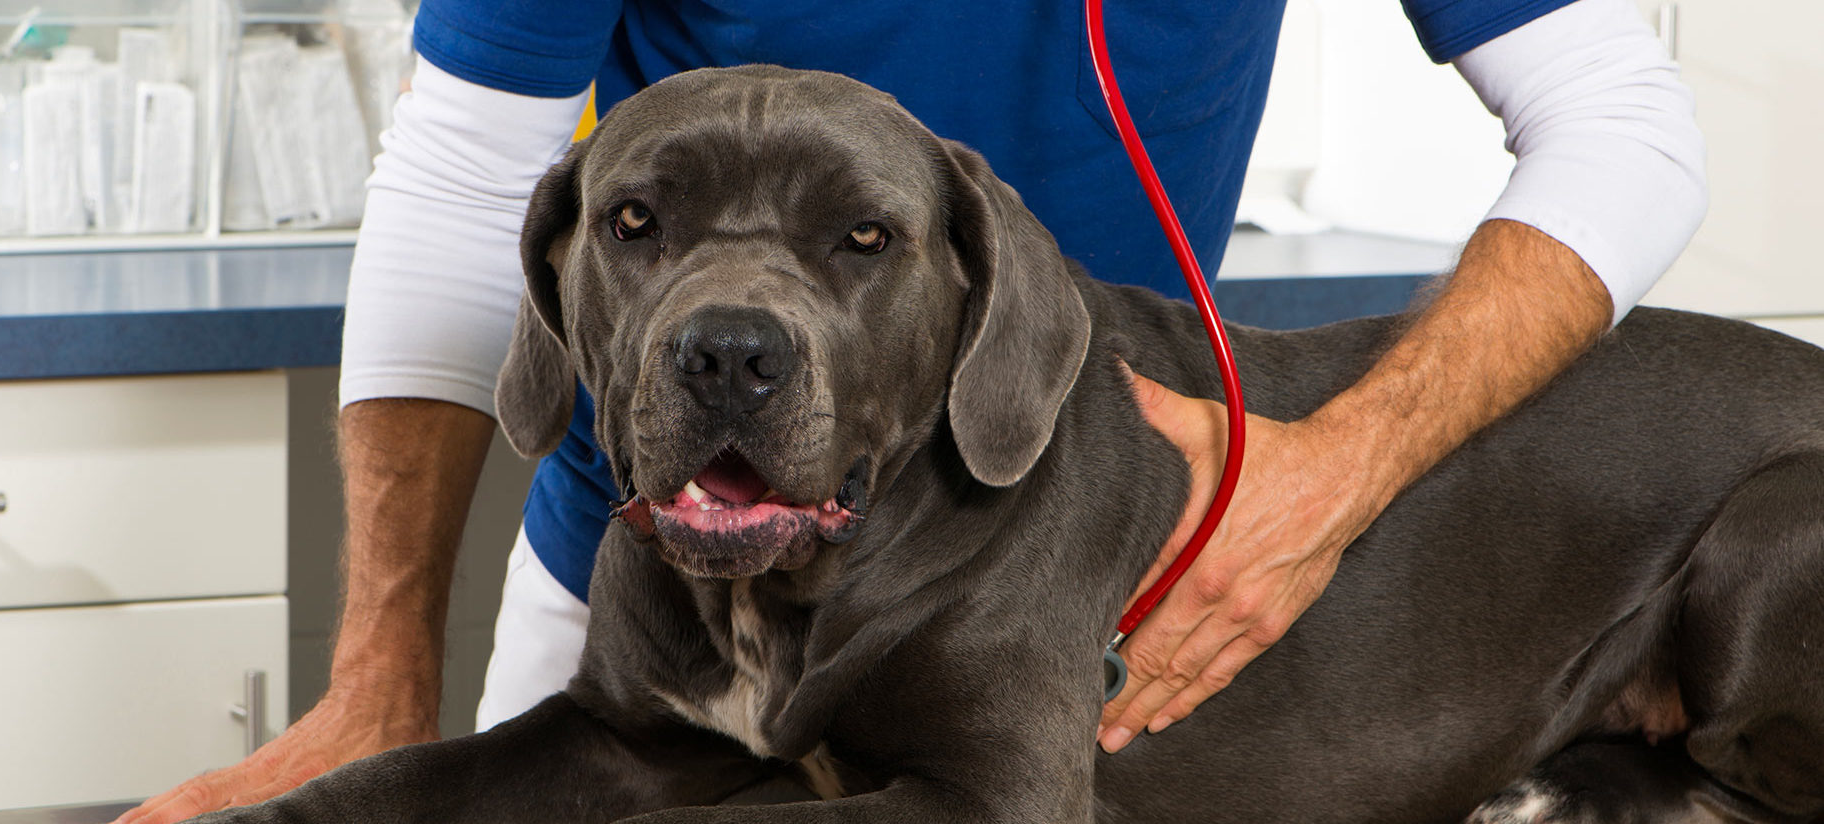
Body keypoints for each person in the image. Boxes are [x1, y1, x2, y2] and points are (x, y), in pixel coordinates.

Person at [116, 0, 1705, 820]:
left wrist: (1335, 470)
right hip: (640, 556)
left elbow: (1621, 123)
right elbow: (469, 172)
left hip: (1057, 494)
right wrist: (378, 676)